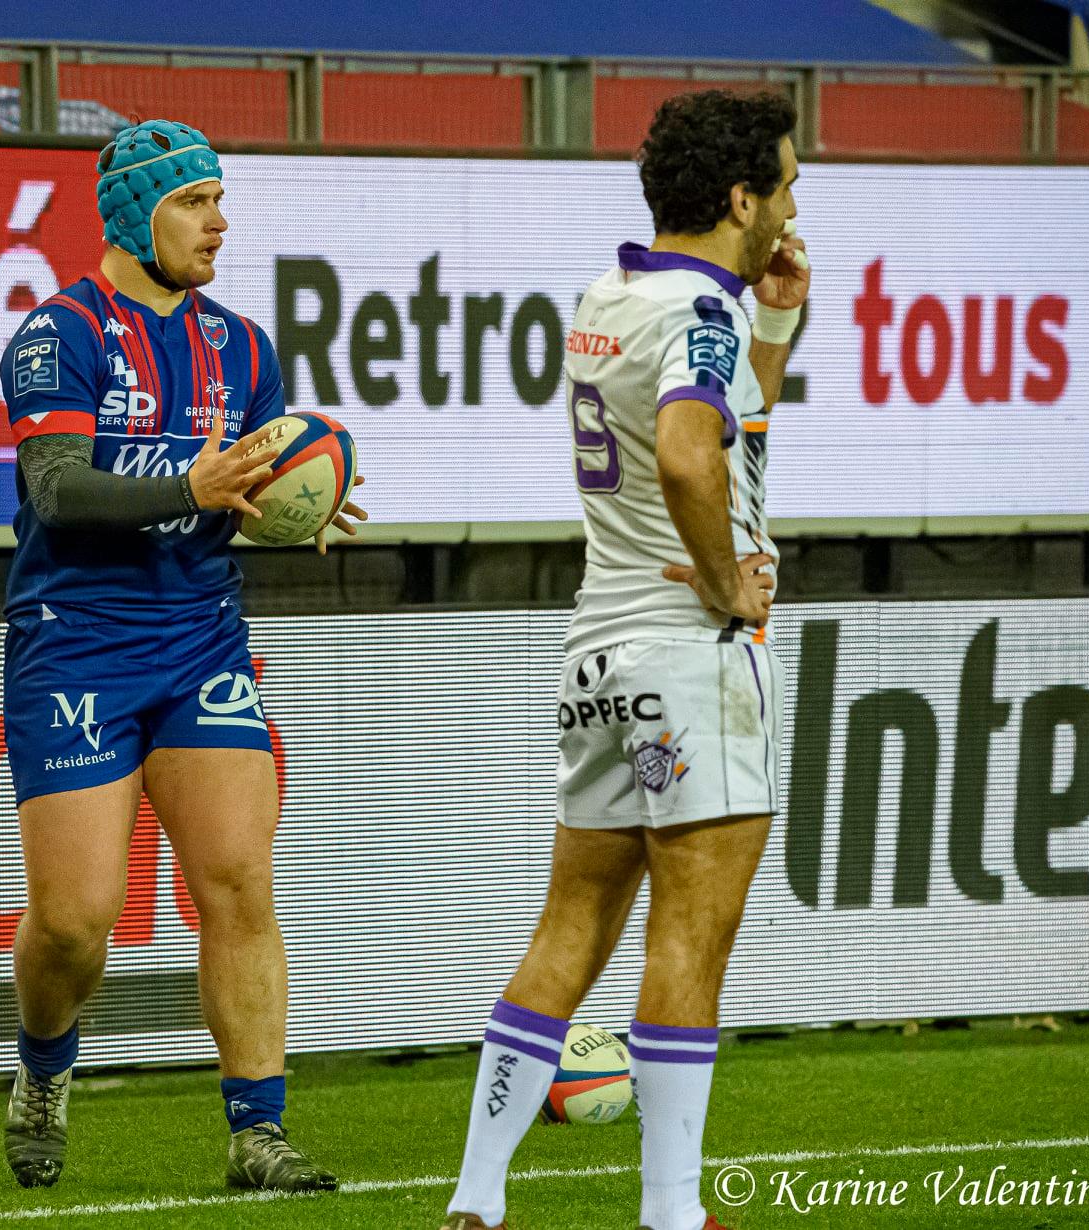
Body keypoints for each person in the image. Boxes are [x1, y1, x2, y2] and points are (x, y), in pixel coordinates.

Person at [439, 89, 809, 1230]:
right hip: (688, 656)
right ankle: (669, 1214)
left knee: (569, 933)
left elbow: (729, 436)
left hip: (597, 654)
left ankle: (477, 1198)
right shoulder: (700, 310)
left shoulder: (614, 295)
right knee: (689, 941)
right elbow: (694, 462)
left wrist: (777, 329)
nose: (795, 206)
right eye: (786, 184)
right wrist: (722, 582)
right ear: (742, 198)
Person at [0, 118, 364, 1194]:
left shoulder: (244, 348)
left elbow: (237, 495)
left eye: (219, 196)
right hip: (76, 649)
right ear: (132, 214)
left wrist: (299, 506)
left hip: (201, 636)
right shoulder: (53, 336)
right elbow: (56, 491)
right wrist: (192, 489)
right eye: (195, 200)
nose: (220, 221)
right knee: (75, 923)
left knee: (240, 879)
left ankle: (259, 1132)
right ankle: (44, 1068)